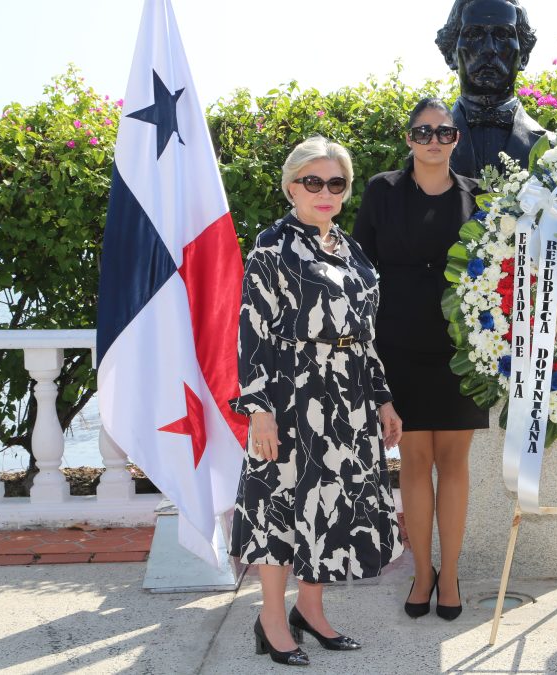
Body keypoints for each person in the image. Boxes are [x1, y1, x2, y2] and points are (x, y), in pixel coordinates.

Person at [229, 136, 404, 666]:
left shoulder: (349, 250)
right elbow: (252, 333)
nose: (324, 192)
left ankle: (311, 610)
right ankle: (272, 620)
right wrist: (258, 408)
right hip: (291, 393)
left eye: (336, 183)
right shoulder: (271, 248)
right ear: (290, 187)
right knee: (281, 507)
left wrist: (383, 399)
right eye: (313, 182)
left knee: (331, 508)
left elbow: (365, 334)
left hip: (348, 396)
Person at [352, 98, 488, 621]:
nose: (434, 141)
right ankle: (422, 571)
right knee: (413, 461)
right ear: (408, 138)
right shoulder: (381, 191)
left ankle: (450, 574)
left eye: (444, 133)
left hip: (463, 349)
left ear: (456, 139)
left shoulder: (480, 195)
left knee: (454, 463)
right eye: (423, 132)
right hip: (398, 343)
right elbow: (361, 266)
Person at [435, 0, 546, 178]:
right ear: (450, 55)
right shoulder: (424, 147)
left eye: (502, 34)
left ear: (524, 56)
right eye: (473, 34)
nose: (488, 49)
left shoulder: (554, 150)